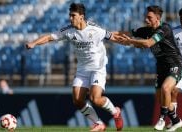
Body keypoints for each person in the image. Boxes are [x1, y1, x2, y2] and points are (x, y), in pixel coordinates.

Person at [26, 3, 123, 131]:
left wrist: (131, 42)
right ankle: (99, 123)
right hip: (82, 69)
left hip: (97, 68)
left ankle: (115, 112)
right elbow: (49, 37)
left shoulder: (95, 30)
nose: (70, 18)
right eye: (70, 15)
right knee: (77, 100)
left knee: (95, 98)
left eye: (73, 15)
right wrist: (34, 43)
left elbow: (112, 36)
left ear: (81, 17)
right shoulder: (68, 31)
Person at [116, 5, 182, 131]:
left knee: (165, 89)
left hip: (175, 64)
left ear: (157, 18)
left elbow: (148, 43)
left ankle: (162, 119)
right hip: (161, 67)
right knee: (160, 98)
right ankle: (176, 120)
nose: (146, 19)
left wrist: (131, 41)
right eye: (146, 17)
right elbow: (124, 33)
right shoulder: (145, 30)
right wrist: (107, 35)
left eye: (149, 17)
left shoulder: (164, 28)